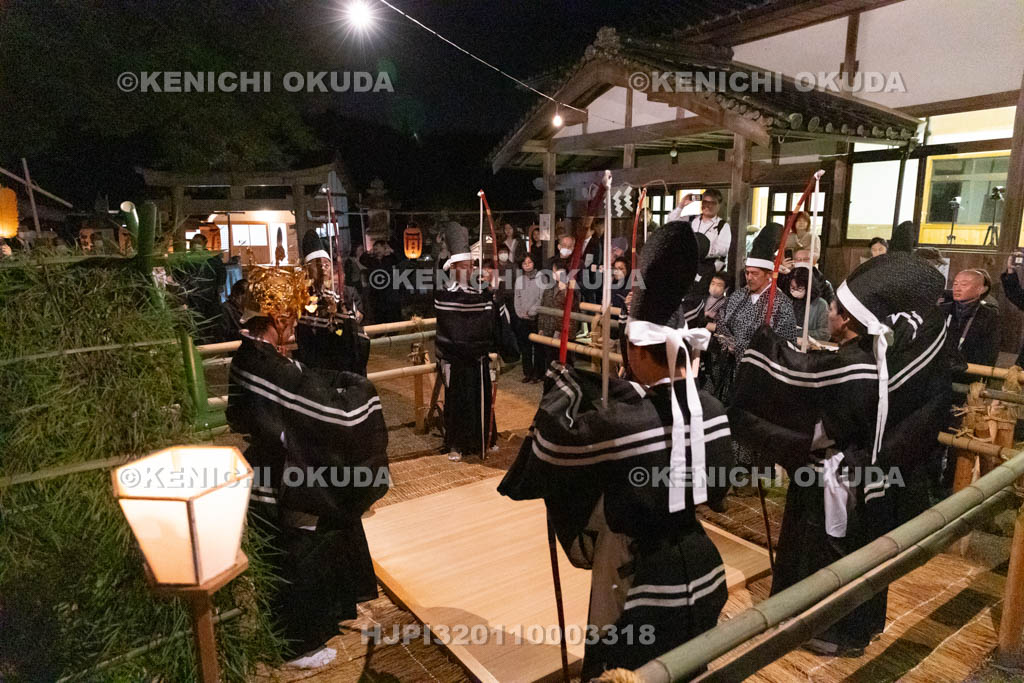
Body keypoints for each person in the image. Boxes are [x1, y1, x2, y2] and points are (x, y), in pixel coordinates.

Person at [499, 220, 732, 678]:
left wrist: (564, 387)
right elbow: (720, 485)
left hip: (636, 579)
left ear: (640, 352)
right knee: (688, 666)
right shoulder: (713, 409)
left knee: (627, 671)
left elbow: (544, 457)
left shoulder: (624, 421)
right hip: (702, 567)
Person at [729, 252, 949, 656]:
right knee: (857, 552)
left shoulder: (851, 367)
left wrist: (764, 352)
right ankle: (854, 628)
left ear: (846, 319)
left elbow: (812, 422)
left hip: (832, 477)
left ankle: (825, 632)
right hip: (866, 477)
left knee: (822, 553)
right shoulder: (876, 360)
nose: (828, 312)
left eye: (832, 308)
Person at [226, 265, 389, 667]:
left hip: (279, 470)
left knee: (311, 547)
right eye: (293, 317)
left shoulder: (254, 357)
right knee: (299, 555)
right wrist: (361, 390)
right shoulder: (264, 364)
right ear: (278, 318)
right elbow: (333, 414)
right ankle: (298, 646)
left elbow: (304, 385)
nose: (296, 325)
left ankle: (312, 628)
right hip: (284, 480)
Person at [435, 222, 513, 461]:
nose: (469, 270)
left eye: (471, 266)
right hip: (456, 360)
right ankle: (456, 445)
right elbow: (451, 324)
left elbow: (491, 319)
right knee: (457, 402)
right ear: (453, 268)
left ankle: (485, 440)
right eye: (464, 266)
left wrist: (494, 297)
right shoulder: (444, 294)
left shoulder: (481, 293)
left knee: (482, 400)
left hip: (478, 359)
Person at [295, 232, 370, 376]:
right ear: (307, 269)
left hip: (344, 356)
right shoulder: (302, 297)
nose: (323, 268)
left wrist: (341, 310)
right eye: (317, 264)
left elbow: (357, 318)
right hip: (317, 358)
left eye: (326, 264)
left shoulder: (344, 293)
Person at [170, 233, 226, 345]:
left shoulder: (212, 258)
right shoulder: (187, 259)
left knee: (210, 321)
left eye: (198, 243)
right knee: (197, 321)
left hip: (209, 296)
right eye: (194, 243)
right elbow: (177, 274)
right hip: (194, 297)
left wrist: (219, 286)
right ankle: (200, 341)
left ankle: (210, 341)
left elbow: (222, 274)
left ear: (205, 244)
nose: (196, 245)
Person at [940, 268, 999, 375]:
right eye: (955, 284)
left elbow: (990, 353)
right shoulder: (942, 310)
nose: (957, 289)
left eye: (964, 284)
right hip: (939, 372)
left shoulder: (989, 316)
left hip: (970, 373)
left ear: (981, 289)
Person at [678, 189, 730, 281]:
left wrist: (703, 250)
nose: (708, 206)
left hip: (709, 269)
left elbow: (723, 250)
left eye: (712, 203)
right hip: (688, 266)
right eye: (705, 202)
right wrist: (681, 206)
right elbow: (671, 222)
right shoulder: (692, 219)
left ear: (719, 205)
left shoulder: (722, 225)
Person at [513, 254, 544, 383]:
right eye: (524, 263)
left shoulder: (541, 278)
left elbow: (541, 298)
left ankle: (538, 373)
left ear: (534, 263)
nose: (527, 265)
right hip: (523, 318)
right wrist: (520, 313)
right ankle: (528, 373)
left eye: (529, 262)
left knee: (538, 347)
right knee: (525, 348)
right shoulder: (519, 280)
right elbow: (517, 297)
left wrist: (532, 311)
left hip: (536, 317)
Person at [360, 239, 401, 324]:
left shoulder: (389, 259)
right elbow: (362, 260)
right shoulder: (371, 260)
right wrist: (369, 252)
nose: (377, 251)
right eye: (375, 249)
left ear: (384, 248)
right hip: (376, 291)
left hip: (389, 291)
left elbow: (399, 258)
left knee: (391, 313)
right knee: (378, 313)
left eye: (379, 248)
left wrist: (391, 250)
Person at [788, 266, 829, 342]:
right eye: (792, 288)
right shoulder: (788, 301)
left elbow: (824, 334)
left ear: (808, 287)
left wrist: (799, 333)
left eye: (799, 288)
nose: (795, 291)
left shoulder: (821, 305)